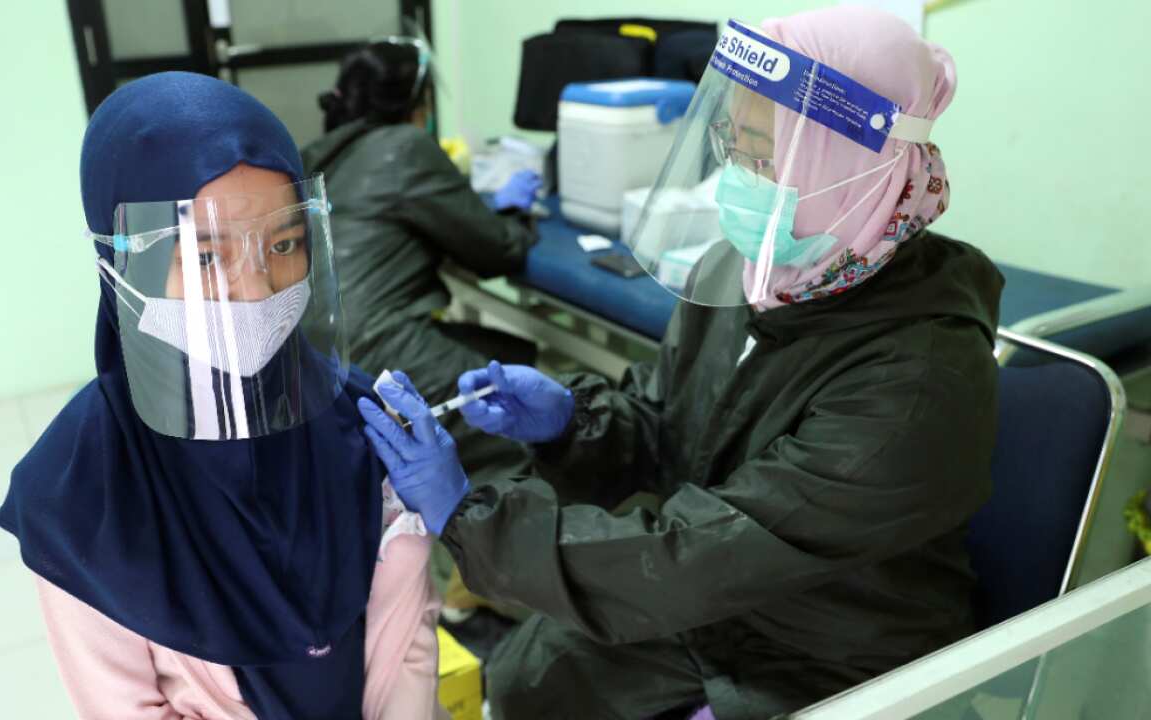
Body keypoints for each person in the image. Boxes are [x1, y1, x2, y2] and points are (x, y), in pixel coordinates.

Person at [359, 8, 1002, 719]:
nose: (740, 177)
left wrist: (473, 520)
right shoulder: (750, 269)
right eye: (736, 143)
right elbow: (671, 422)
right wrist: (575, 420)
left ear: (845, 161)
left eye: (765, 157)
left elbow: (701, 557)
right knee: (522, 680)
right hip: (716, 605)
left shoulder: (916, 379)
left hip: (828, 653)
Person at [0, 72, 444, 720]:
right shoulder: (81, 495)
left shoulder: (362, 423)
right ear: (122, 263)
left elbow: (411, 647)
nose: (254, 288)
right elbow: (126, 707)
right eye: (206, 255)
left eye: (285, 244)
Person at [303, 38, 541, 489]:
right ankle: (505, 538)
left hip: (318, 357)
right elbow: (497, 251)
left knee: (514, 355)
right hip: (376, 349)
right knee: (507, 413)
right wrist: (513, 211)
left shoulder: (319, 155)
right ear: (419, 102)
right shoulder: (406, 146)